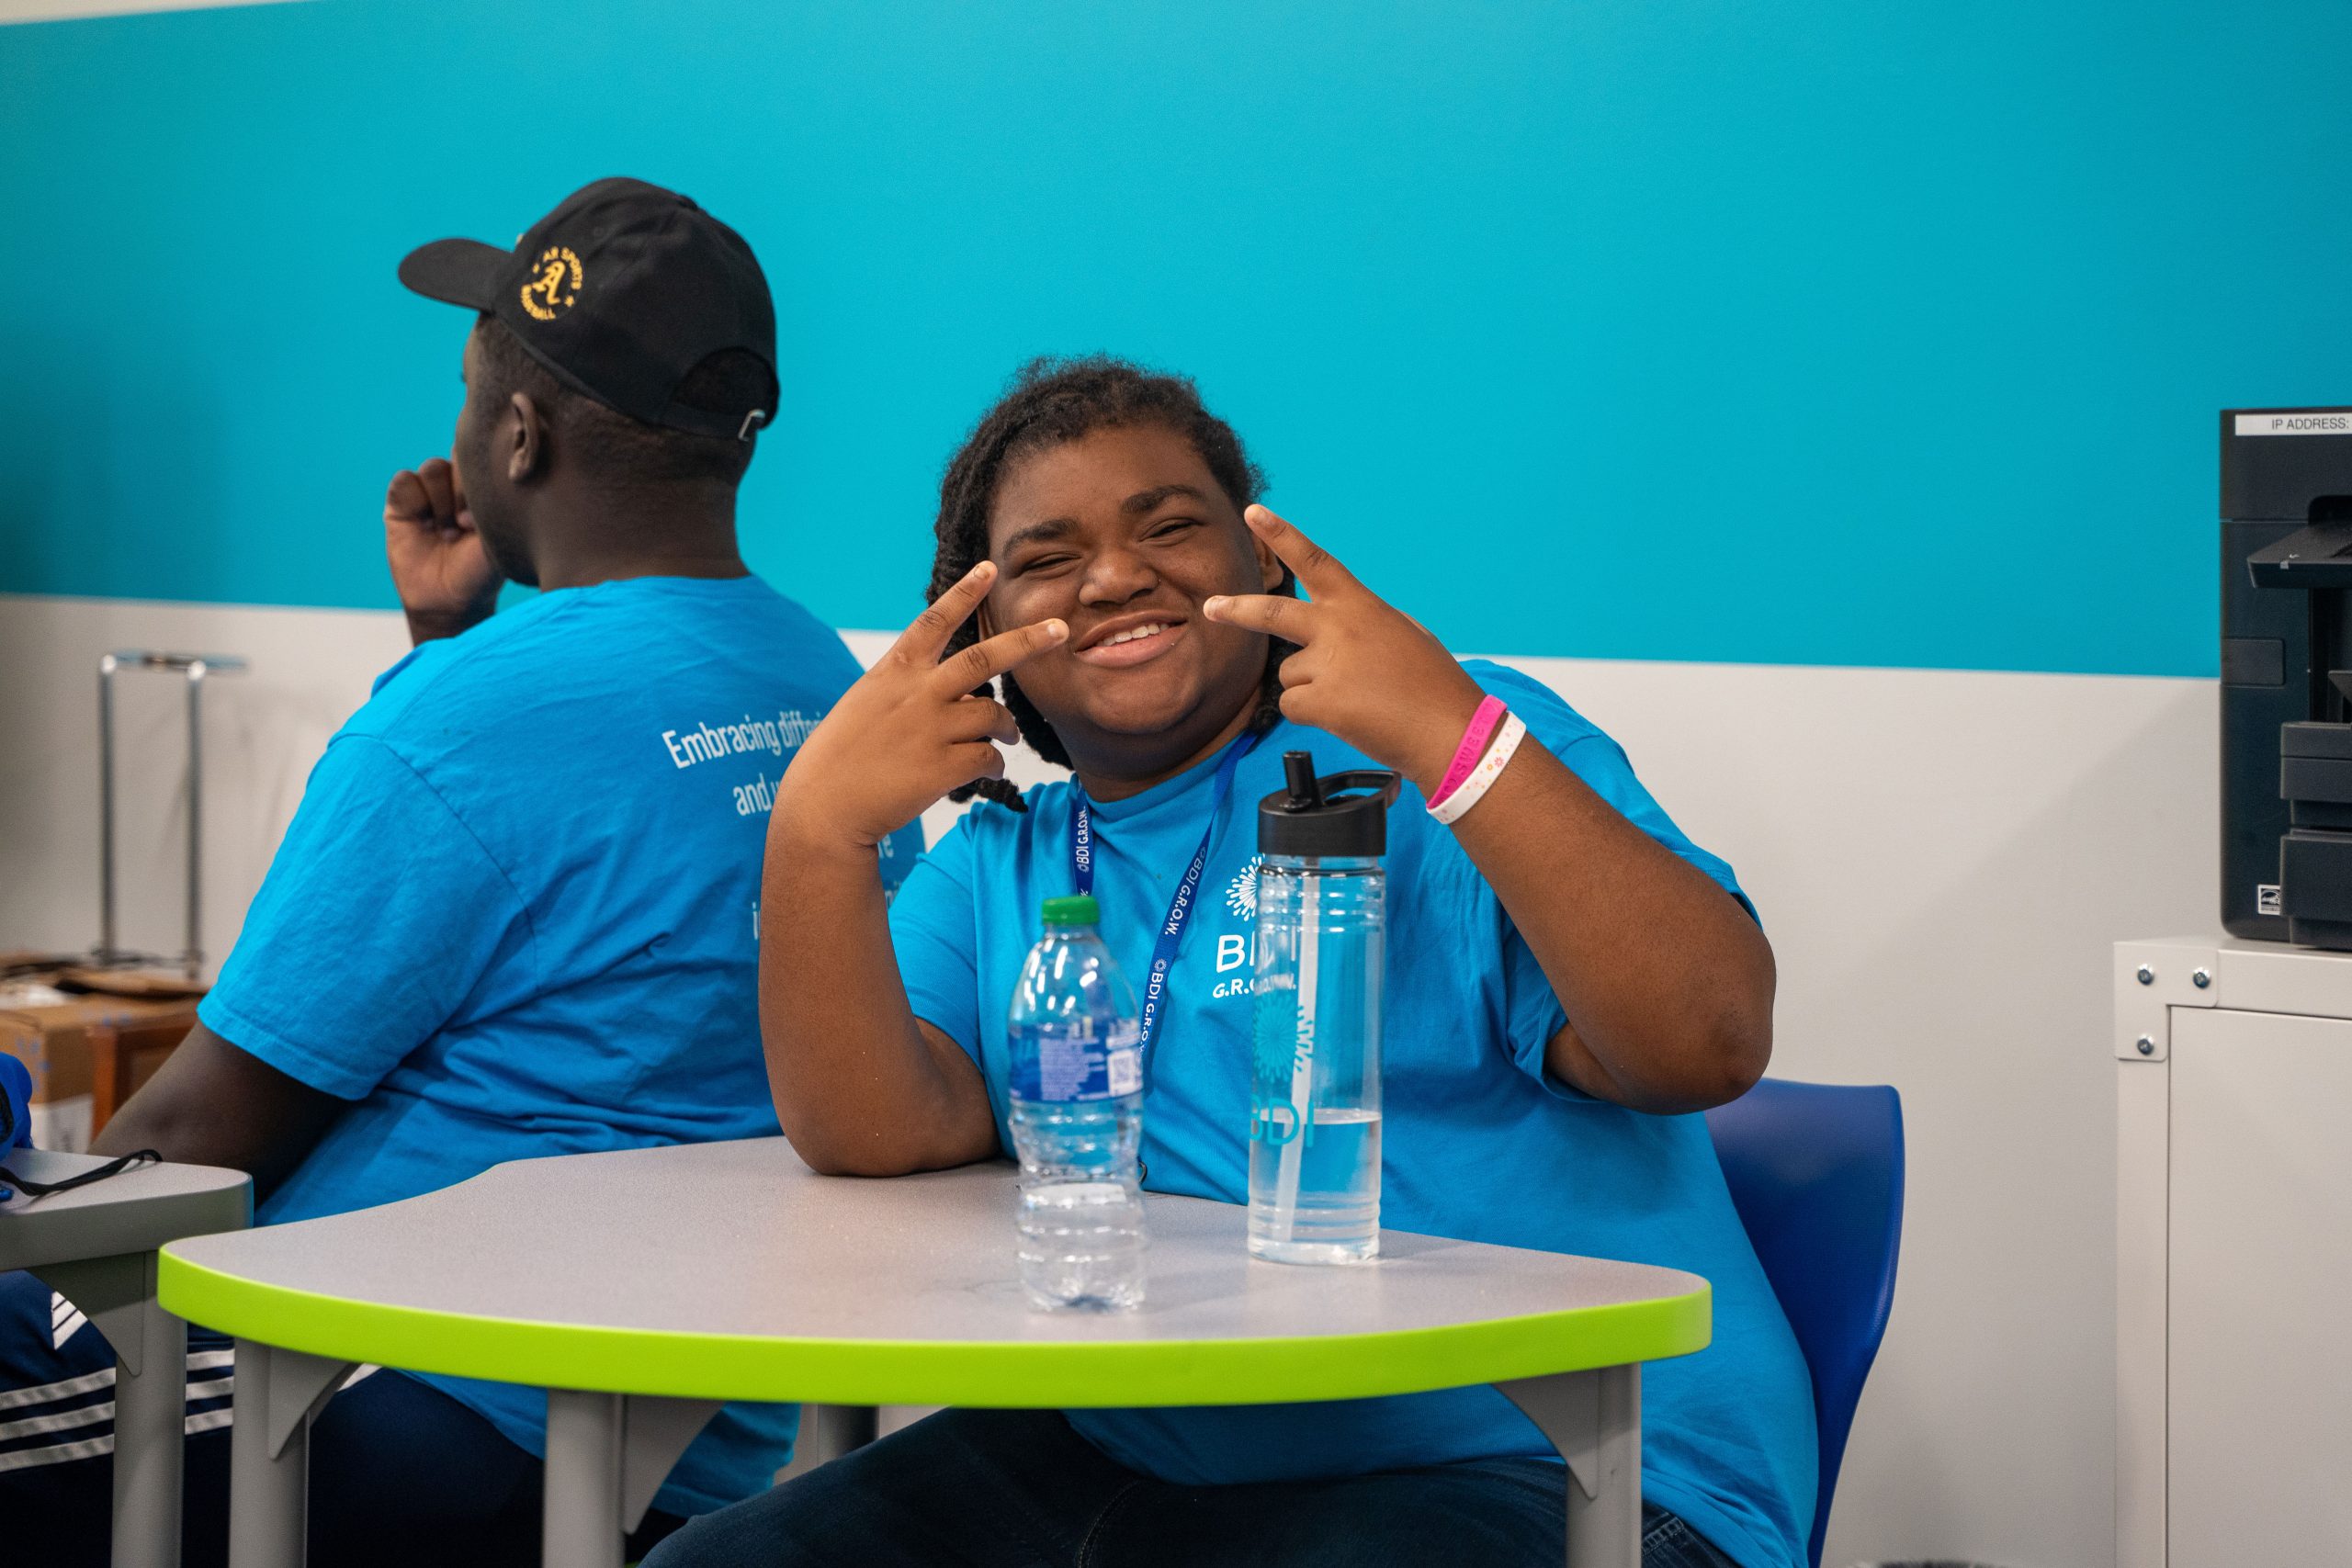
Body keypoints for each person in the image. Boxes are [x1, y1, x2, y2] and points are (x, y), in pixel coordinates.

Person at [648, 357, 1816, 1568]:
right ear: (983, 629)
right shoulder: (1005, 863)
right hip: (1153, 1450)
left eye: (1171, 527)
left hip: (1561, 1461)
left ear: (1263, 567)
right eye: (1048, 558)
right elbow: (870, 1133)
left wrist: (1444, 732)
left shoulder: (1449, 756)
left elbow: (1707, 1042)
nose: (1115, 575)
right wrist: (818, 831)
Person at [0, 177, 919, 1567]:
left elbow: (197, 1136)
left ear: (518, 431)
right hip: (662, 1433)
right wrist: (446, 635)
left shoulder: (475, 720)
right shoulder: (824, 689)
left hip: (368, 1391)